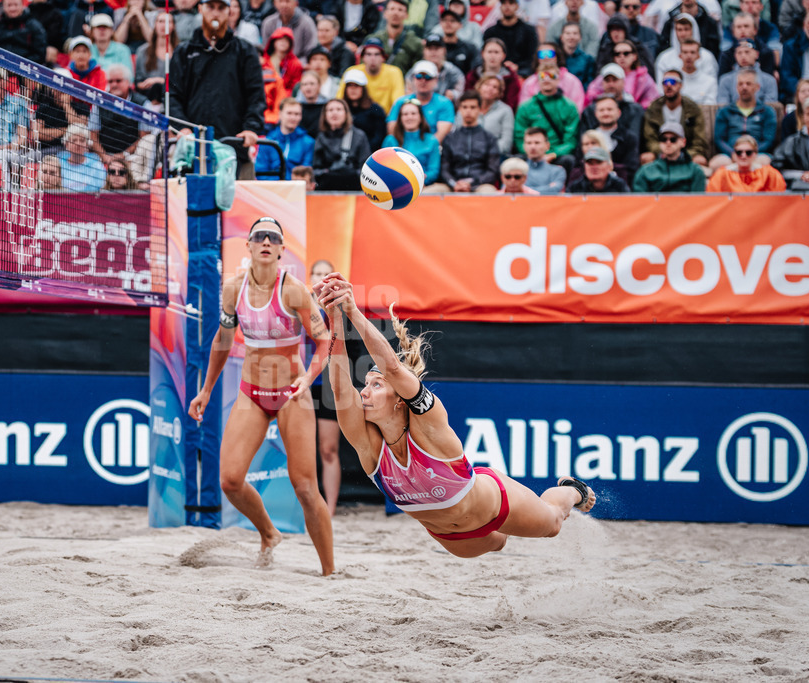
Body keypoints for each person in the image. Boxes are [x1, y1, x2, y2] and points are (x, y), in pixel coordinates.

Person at [315, 273, 594, 559]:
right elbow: (339, 387)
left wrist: (352, 311)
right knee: (499, 543)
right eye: (366, 385)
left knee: (552, 524)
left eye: (376, 385)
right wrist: (333, 316)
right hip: (453, 537)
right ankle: (517, 520)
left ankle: (573, 490)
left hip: (490, 503)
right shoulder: (368, 445)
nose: (364, 392)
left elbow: (394, 370)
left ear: (399, 399)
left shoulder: (427, 422)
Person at [188, 218, 335, 576]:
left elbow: (325, 341)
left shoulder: (294, 290)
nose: (266, 241)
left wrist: (308, 378)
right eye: (259, 236)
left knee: (304, 487)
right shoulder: (233, 289)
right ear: (249, 246)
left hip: (290, 393)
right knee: (230, 480)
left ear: (282, 249)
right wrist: (206, 390)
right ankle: (269, 534)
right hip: (252, 392)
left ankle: (330, 573)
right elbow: (222, 341)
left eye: (274, 238)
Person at [171, 0, 266, 180]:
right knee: (191, 205)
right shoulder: (183, 52)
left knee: (238, 206)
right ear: (200, 9)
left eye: (221, 8)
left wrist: (251, 128)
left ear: (229, 11)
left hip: (235, 146)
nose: (215, 13)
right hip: (194, 148)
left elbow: (256, 96)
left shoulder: (245, 51)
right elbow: (173, 95)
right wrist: (182, 128)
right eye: (210, 7)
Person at [307, 259, 341, 515]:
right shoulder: (298, 305)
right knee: (301, 449)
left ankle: (328, 511)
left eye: (326, 274)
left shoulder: (340, 309)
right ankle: (304, 507)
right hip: (303, 384)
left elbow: (346, 349)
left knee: (328, 450)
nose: (321, 278)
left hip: (329, 386)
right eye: (317, 273)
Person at [641, 70, 708, 168]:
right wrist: (666, 151)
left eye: (673, 82)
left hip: (686, 152)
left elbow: (699, 141)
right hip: (661, 152)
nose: (668, 85)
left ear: (681, 85)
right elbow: (650, 140)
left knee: (700, 160)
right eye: (665, 82)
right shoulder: (654, 108)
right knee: (646, 158)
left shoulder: (693, 109)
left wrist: (681, 154)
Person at [712, 69, 777, 169]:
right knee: (717, 163)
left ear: (757, 87)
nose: (744, 87)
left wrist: (751, 153)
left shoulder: (767, 111)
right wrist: (734, 153)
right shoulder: (724, 111)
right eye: (741, 84)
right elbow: (719, 139)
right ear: (736, 87)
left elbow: (768, 140)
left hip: (758, 154)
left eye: (748, 84)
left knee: (764, 162)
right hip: (731, 154)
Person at [514, 67, 579, 161]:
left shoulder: (569, 106)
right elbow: (519, 138)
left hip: (557, 154)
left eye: (552, 76)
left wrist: (553, 154)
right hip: (531, 153)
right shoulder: (526, 107)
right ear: (537, 80)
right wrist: (533, 153)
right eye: (542, 76)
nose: (546, 79)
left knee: (568, 160)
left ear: (558, 79)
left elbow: (570, 141)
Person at [440, 89, 500, 192]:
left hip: (480, 185)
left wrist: (471, 183)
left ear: (480, 109)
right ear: (459, 109)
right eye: (465, 107)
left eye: (473, 107)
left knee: (489, 192)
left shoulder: (489, 138)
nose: (468, 111)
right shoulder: (450, 138)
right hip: (453, 185)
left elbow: (492, 170)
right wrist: (454, 183)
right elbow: (444, 168)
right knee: (429, 192)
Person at [387, 61, 455, 142]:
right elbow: (392, 131)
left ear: (436, 80)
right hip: (403, 149)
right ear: (413, 79)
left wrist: (421, 150)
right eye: (419, 76)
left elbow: (440, 135)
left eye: (428, 77)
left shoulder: (445, 103)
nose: (423, 81)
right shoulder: (400, 102)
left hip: (431, 151)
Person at [313, 97, 370, 190]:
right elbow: (316, 169)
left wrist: (351, 173)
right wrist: (327, 172)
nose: (334, 113)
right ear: (325, 115)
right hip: (327, 190)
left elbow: (366, 169)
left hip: (353, 188)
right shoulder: (321, 137)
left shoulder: (359, 136)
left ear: (346, 113)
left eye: (339, 109)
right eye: (330, 110)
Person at [337, 38, 405, 115]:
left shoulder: (394, 72)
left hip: (386, 120)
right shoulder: (352, 71)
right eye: (369, 54)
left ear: (383, 57)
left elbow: (398, 103)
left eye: (376, 54)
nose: (373, 59)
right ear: (363, 57)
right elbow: (340, 100)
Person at [632, 121, 706, 191]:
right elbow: (640, 202)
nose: (668, 143)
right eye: (663, 139)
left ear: (683, 142)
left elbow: (698, 202)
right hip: (655, 204)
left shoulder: (695, 171)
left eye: (673, 139)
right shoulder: (645, 171)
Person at [587, 39, 659, 107]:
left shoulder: (643, 78)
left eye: (626, 53)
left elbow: (652, 100)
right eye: (617, 54)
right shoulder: (605, 75)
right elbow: (591, 95)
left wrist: (635, 109)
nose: (622, 57)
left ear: (634, 56)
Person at [582, 93, 639, 180]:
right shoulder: (588, 137)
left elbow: (631, 168)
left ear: (619, 112)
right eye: (601, 110)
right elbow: (579, 165)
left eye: (609, 109)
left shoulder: (629, 138)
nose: (606, 113)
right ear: (595, 114)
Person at [383, 99, 440, 184]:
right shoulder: (390, 140)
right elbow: (384, 168)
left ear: (420, 117)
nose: (409, 117)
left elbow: (434, 171)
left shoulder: (432, 141)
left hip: (423, 185)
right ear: (400, 118)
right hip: (395, 185)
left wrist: (420, 179)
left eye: (413, 113)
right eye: (405, 114)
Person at [517, 41, 586, 111]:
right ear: (537, 58)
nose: (546, 57)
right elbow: (524, 110)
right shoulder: (529, 83)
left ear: (557, 57)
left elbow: (577, 108)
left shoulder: (572, 81)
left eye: (550, 54)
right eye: (542, 54)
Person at [256, 97, 314, 179]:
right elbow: (260, 172)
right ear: (280, 114)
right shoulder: (267, 142)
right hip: (271, 189)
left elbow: (305, 173)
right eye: (289, 113)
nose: (293, 118)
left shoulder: (308, 142)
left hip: (296, 189)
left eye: (297, 114)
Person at [707, 134, 787, 192]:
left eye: (748, 152)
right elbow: (713, 199)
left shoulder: (769, 174)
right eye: (739, 152)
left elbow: (778, 197)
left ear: (755, 154)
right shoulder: (722, 175)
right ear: (734, 154)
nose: (743, 156)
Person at [772, 96, 809, 190]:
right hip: (797, 191)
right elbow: (776, 169)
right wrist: (801, 175)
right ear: (803, 116)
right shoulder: (791, 142)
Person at [366, 0, 424, 74]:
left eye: (400, 10)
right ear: (385, 13)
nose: (395, 13)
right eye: (392, 9)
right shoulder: (372, 39)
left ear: (406, 15)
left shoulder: (415, 43)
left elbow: (417, 70)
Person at [484, 0, 540, 78]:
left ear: (517, 6)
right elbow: (486, 55)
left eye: (511, 3)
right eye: (504, 3)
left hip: (523, 71)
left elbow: (533, 56)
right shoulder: (490, 32)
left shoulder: (529, 31)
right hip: (496, 69)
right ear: (500, 6)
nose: (507, 6)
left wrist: (517, 66)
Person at [406, 34, 465, 105]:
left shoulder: (453, 72)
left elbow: (461, 93)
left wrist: (454, 94)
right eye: (430, 49)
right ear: (424, 51)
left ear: (444, 50)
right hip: (419, 109)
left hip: (445, 108)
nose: (433, 52)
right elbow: (408, 92)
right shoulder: (415, 71)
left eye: (437, 48)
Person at [0, 0, 48, 66]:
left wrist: (19, 64)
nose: (12, 8)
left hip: (26, 69)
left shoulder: (34, 26)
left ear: (22, 6)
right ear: (3, 7)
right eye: (9, 5)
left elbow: (40, 55)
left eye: (16, 5)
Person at [716, 39, 778, 104]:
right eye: (739, 53)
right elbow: (722, 106)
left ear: (757, 54)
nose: (743, 56)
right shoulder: (725, 80)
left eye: (747, 52)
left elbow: (771, 107)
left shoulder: (769, 80)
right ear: (735, 56)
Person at [465, 38, 521, 110]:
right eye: (489, 52)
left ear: (503, 55)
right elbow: (468, 100)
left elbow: (511, 104)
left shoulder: (511, 78)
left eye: (496, 52)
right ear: (482, 54)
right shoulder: (472, 76)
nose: (492, 56)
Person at [718, 13, 777, 77]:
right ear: (733, 32)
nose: (742, 30)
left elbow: (767, 80)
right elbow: (722, 80)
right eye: (739, 27)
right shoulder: (727, 55)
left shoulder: (765, 53)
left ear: (755, 30)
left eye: (746, 26)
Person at [342, 70, 386, 153]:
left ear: (363, 88)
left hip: (369, 153)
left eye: (356, 86)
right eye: (350, 86)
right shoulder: (340, 109)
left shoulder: (376, 110)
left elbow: (379, 137)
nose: (353, 89)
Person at [780, 9, 809, 104]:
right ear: (804, 25)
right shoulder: (791, 46)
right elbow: (787, 76)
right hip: (797, 95)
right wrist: (803, 92)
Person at [57, 124, 108, 192]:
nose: (78, 144)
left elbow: (103, 189)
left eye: (82, 140)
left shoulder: (97, 166)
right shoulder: (58, 164)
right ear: (66, 144)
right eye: (74, 140)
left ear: (87, 145)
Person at [474, 74, 514, 154]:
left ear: (499, 93)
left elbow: (506, 142)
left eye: (495, 87)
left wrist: (487, 152)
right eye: (487, 84)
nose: (490, 89)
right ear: (479, 87)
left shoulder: (505, 110)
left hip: (495, 156)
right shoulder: (469, 106)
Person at [520, 126, 567, 193]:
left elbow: (555, 190)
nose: (532, 147)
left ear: (547, 145)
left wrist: (522, 189)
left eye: (537, 143)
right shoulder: (516, 171)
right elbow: (506, 193)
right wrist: (548, 188)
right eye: (529, 143)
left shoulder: (557, 171)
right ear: (524, 146)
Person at [89, 13, 134, 82]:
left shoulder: (122, 50)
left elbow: (129, 78)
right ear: (92, 32)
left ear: (112, 31)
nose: (102, 30)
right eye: (98, 28)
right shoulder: (86, 50)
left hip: (115, 89)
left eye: (105, 27)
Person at [437, 8, 480, 76]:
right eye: (445, 20)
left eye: (452, 20)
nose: (448, 23)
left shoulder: (470, 48)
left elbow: (474, 72)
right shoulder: (434, 47)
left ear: (460, 25)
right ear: (440, 23)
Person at [557, 21, 596, 88]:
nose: (571, 37)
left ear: (580, 37)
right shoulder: (555, 58)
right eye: (568, 33)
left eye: (575, 33)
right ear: (561, 37)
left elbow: (589, 84)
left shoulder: (588, 59)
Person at [265, 26, 303, 94]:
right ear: (274, 41)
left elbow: (295, 87)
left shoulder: (295, 64)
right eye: (280, 39)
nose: (283, 42)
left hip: (286, 99)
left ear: (290, 44)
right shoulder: (264, 61)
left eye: (286, 40)